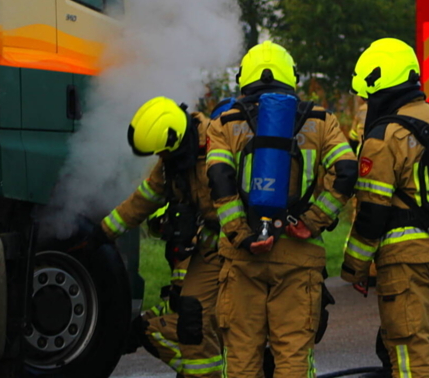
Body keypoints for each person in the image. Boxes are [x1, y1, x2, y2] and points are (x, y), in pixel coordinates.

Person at [206, 41, 357, 378]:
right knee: (293, 357)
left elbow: (219, 180)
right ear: (292, 79)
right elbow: (346, 172)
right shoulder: (320, 121)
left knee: (242, 359)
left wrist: (243, 237)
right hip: (298, 254)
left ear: (244, 80)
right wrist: (312, 221)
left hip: (242, 258)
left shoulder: (225, 123)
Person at [341, 38, 429, 378]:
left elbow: (371, 211)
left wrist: (355, 268)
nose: (365, 100)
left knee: (412, 359)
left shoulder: (384, 134)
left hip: (405, 261)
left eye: (366, 93)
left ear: (379, 83)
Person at [98, 97, 224, 377]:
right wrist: (102, 233)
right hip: (210, 249)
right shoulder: (174, 158)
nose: (161, 160)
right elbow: (145, 198)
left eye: (163, 153)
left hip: (240, 246)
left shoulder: (221, 142)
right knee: (192, 317)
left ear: (175, 139)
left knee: (232, 322)